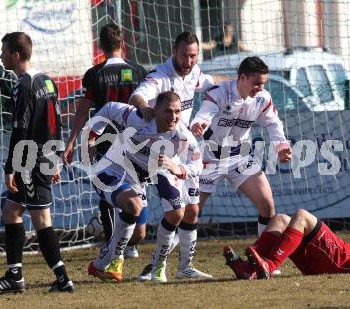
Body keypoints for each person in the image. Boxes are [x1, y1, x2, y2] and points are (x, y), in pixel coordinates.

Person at [0, 32, 74, 294]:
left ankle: (62, 278)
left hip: (30, 162)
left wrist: (10, 168)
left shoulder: (22, 86)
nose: (0, 56)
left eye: (3, 52)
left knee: (41, 219)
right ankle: (15, 276)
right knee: (11, 212)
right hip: (44, 157)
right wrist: (55, 159)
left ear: (15, 54)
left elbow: (20, 132)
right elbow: (57, 123)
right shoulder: (47, 80)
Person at [86, 91, 202, 283]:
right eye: (167, 111)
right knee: (133, 206)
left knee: (141, 233)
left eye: (177, 112)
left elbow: (197, 164)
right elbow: (108, 109)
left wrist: (177, 168)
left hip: (139, 180)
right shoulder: (138, 116)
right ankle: (115, 262)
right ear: (155, 110)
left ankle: (100, 264)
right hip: (110, 170)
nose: (173, 117)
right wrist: (91, 137)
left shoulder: (182, 136)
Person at [130, 31, 215, 280]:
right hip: (159, 151)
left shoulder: (195, 72)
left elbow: (214, 84)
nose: (189, 61)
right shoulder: (160, 77)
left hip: (183, 148)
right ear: (173, 52)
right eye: (184, 55)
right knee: (175, 213)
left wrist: (238, 84)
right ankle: (156, 267)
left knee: (192, 211)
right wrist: (144, 107)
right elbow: (139, 94)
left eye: (193, 56)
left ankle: (184, 268)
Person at [62, 23, 147, 259]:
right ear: (123, 43)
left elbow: (83, 111)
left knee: (108, 193)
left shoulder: (95, 74)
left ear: (101, 46)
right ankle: (127, 245)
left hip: (105, 143)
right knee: (133, 192)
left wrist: (71, 143)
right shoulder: (139, 71)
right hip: (136, 144)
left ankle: (115, 246)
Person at [191, 56, 292, 240]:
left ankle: (264, 258)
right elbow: (205, 112)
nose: (261, 88)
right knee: (191, 212)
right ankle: (170, 261)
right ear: (242, 78)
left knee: (267, 204)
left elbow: (273, 123)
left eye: (263, 84)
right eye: (257, 83)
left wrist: (281, 145)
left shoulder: (263, 98)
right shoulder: (219, 92)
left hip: (240, 156)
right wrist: (199, 123)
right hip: (210, 157)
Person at [224, 208, 350, 280]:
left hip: (343, 261)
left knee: (302, 216)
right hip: (329, 261)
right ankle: (248, 269)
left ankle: (269, 266)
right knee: (281, 219)